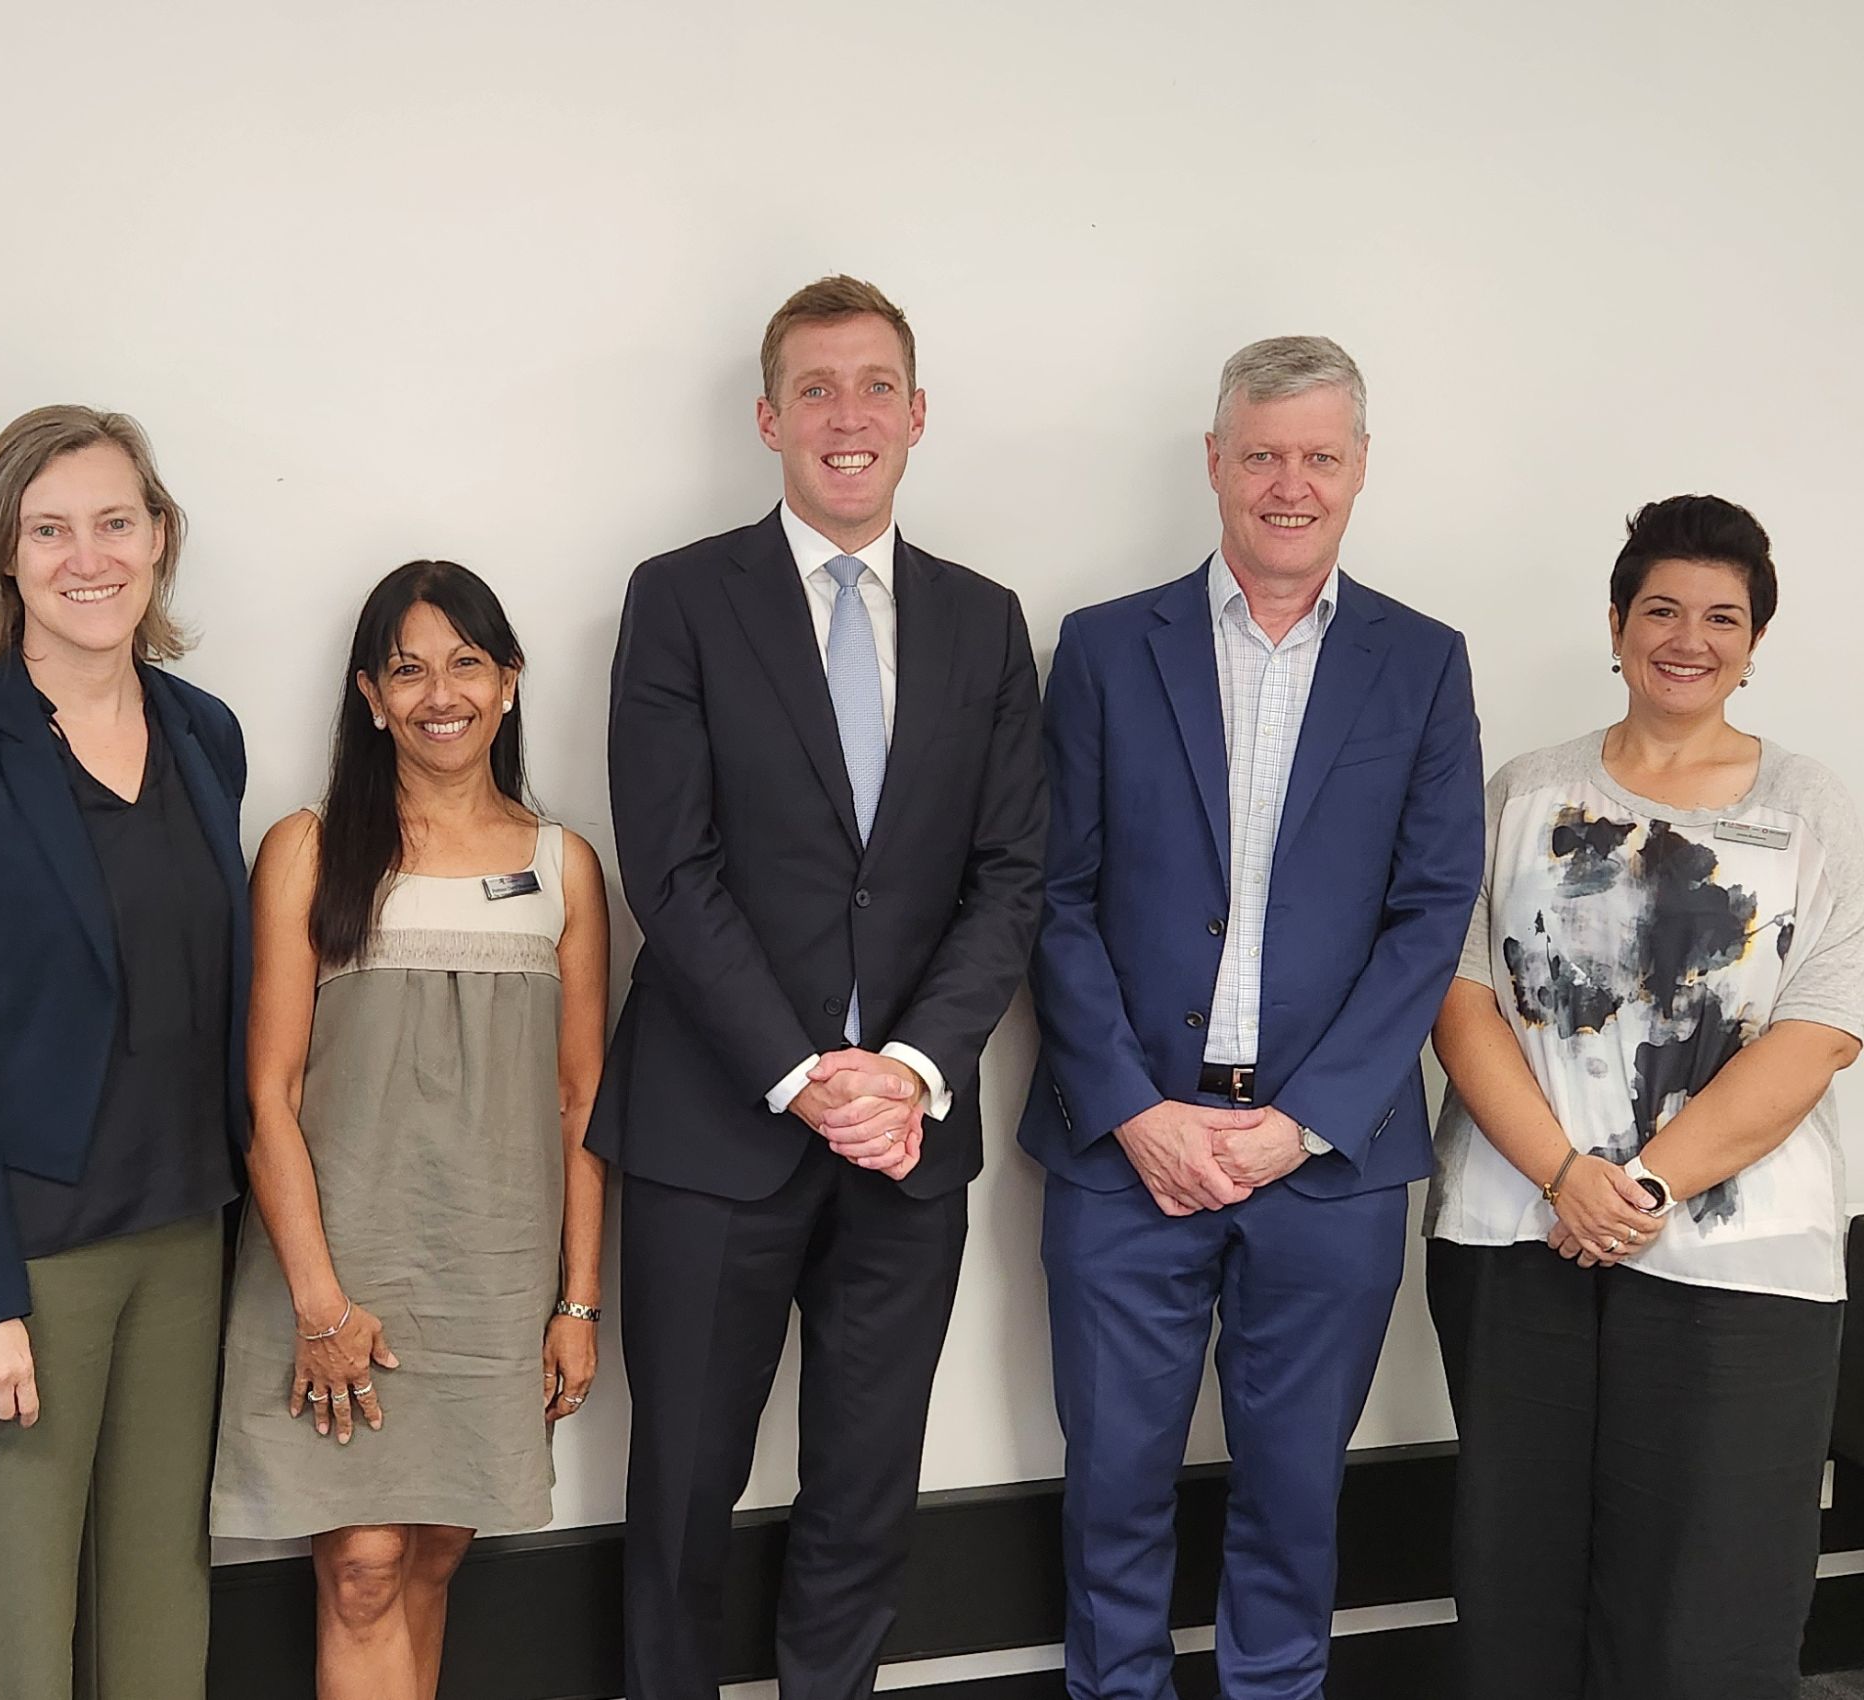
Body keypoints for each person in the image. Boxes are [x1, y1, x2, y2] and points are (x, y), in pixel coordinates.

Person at [590, 275, 1047, 1699]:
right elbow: (668, 872)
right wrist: (805, 1077)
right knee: (681, 1494)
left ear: (917, 415)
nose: (846, 416)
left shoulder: (984, 621)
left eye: (874, 387)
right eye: (817, 388)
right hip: (716, 1129)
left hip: (908, 1145)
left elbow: (1011, 878)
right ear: (770, 417)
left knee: (867, 1490)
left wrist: (903, 1075)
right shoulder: (678, 599)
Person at [1019, 336, 1485, 1700]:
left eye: (1320, 458)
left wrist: (1305, 1122)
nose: (1291, 484)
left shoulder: (1424, 662)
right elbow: (1054, 897)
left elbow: (1431, 910)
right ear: (1215, 463)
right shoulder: (1105, 650)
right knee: (1114, 1488)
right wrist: (1136, 1109)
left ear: (1358, 472)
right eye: (1264, 454)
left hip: (1329, 1165)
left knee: (1295, 1497)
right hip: (1125, 1152)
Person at [1424, 494, 1862, 1700]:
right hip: (1521, 1235)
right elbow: (1458, 999)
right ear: (1615, 623)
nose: (1688, 635)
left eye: (1722, 615)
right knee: (1521, 1577)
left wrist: (1649, 1182)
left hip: (1739, 1256)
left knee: (1714, 1594)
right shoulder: (1521, 789)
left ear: (1753, 641)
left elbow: (1823, 1029)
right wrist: (1568, 1176)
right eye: (1660, 606)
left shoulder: (1813, 804)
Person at [0, 406, 249, 1700]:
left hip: (183, 1238)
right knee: (2, 1645)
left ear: (160, 538)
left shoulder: (204, 734)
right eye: (50, 528)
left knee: (157, 1634)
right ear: (2, 557)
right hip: (10, 1255)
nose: (90, 556)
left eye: (116, 522)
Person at [211, 560, 610, 1700]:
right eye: (408, 668)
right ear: (371, 695)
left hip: (494, 1266)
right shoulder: (306, 847)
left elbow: (583, 1100)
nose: (442, 692)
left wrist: (577, 1303)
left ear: (510, 682)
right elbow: (268, 1097)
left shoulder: (561, 866)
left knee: (434, 1548)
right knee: (364, 1566)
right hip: (338, 1267)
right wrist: (319, 1301)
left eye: (467, 662)